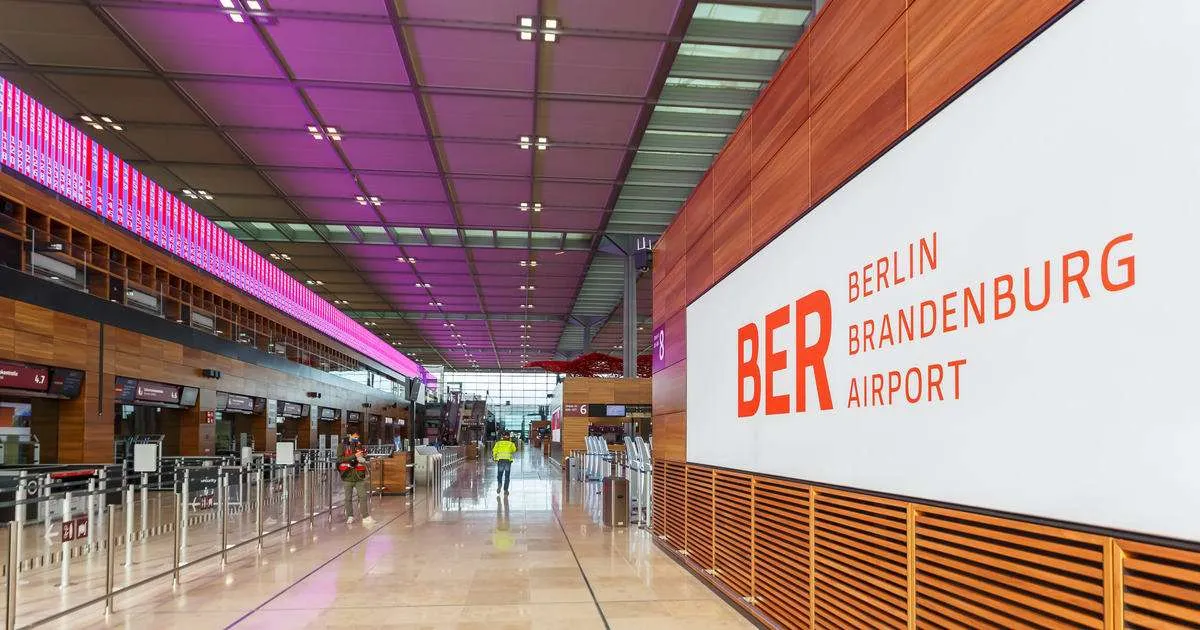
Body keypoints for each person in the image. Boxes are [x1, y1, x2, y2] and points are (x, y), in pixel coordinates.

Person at [338, 434, 374, 525]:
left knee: (363, 496)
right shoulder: (342, 446)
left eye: (357, 436)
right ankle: (350, 516)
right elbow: (340, 459)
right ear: (349, 436)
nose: (356, 438)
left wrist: (364, 455)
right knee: (348, 498)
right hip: (347, 476)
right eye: (354, 436)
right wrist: (354, 456)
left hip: (359, 477)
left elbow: (363, 457)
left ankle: (365, 516)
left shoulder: (358, 445)